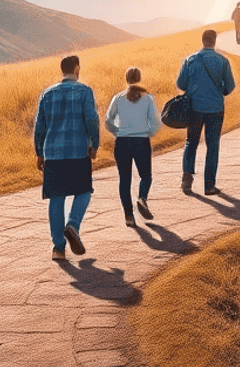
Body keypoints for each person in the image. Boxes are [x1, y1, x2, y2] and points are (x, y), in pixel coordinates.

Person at [34, 55, 99, 260]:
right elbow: (91, 120)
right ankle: (73, 225)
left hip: (53, 153)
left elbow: (39, 127)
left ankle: (58, 248)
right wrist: (94, 144)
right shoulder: (85, 91)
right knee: (84, 191)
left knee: (56, 197)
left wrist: (39, 152)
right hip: (78, 151)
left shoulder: (47, 94)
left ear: (63, 70)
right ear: (77, 69)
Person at [176, 29, 236, 195]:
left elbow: (181, 84)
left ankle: (187, 181)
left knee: (191, 142)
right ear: (214, 41)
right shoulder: (223, 61)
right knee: (213, 146)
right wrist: (219, 92)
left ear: (202, 41)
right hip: (215, 108)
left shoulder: (190, 60)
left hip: (194, 107)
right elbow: (230, 86)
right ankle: (209, 185)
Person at [104, 66, 162, 227]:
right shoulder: (147, 98)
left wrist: (118, 132)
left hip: (122, 142)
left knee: (125, 180)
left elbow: (108, 121)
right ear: (139, 78)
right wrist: (147, 133)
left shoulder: (118, 98)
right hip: (141, 141)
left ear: (126, 79)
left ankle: (129, 216)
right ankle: (142, 198)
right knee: (146, 176)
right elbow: (156, 122)